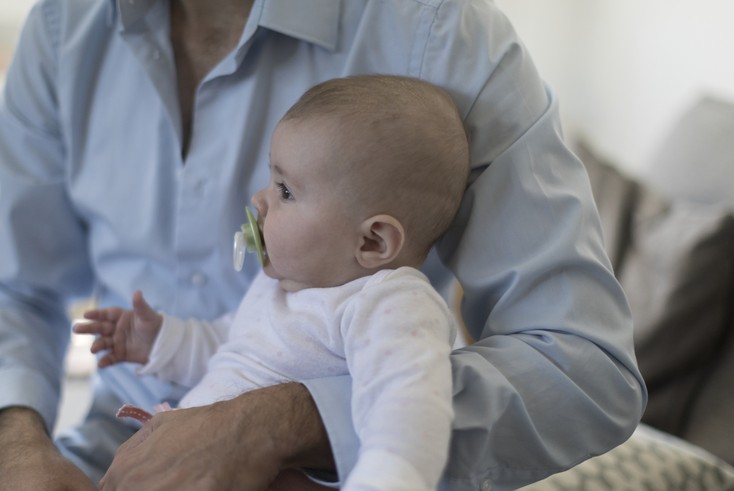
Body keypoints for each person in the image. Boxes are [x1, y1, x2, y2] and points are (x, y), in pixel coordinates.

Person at [0, 0, 646, 490]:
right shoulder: (63, 28)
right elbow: (19, 290)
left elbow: (583, 367)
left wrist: (285, 423)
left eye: (283, 189)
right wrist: (14, 446)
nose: (259, 205)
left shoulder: (439, 37)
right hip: (114, 454)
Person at [74, 74, 468, 490]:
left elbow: (407, 406)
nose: (259, 200)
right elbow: (232, 349)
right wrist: (163, 341)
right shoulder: (282, 288)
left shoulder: (387, 303)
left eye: (285, 190)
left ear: (372, 241)